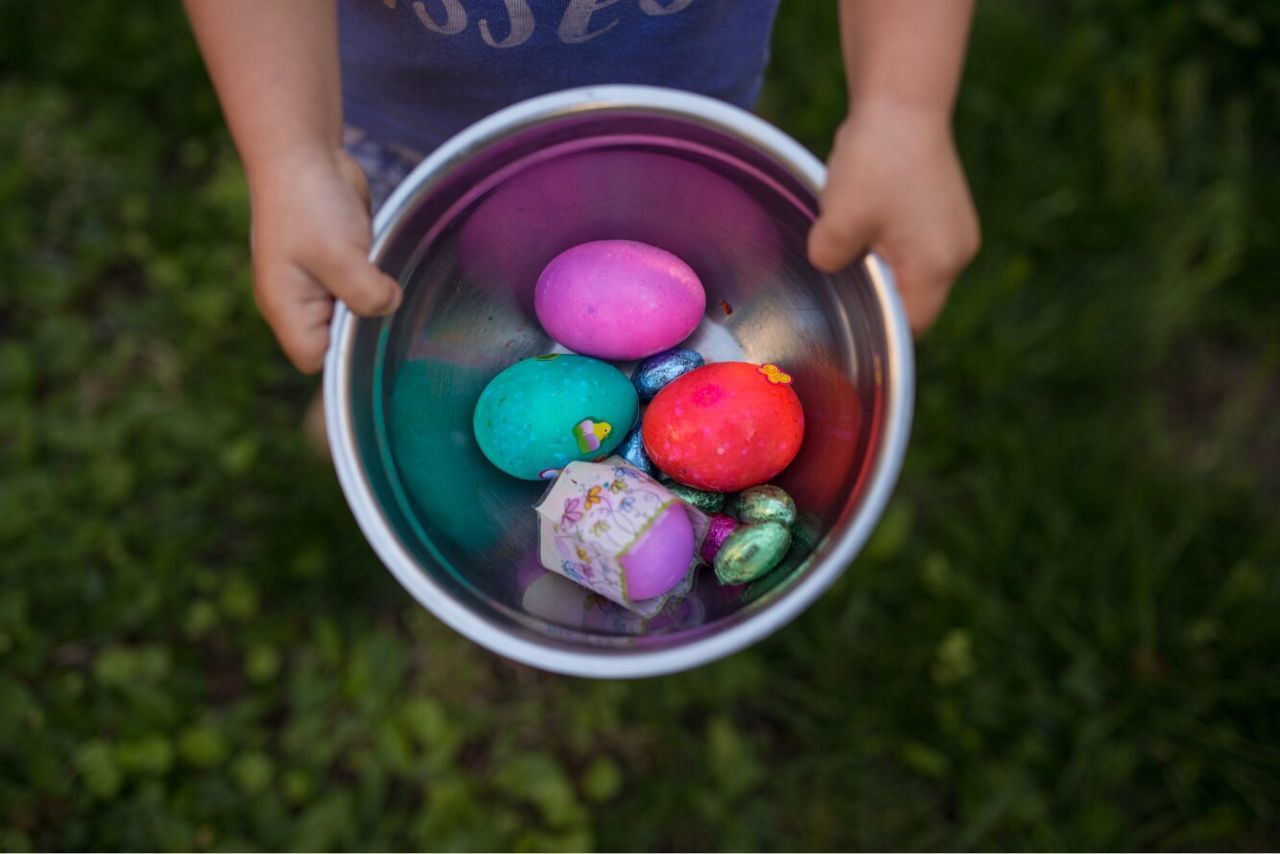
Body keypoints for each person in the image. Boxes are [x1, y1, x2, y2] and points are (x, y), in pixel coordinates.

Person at [184, 0, 980, 374]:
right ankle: (426, 372)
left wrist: (903, 107)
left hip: (676, 119)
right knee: (404, 295)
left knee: (661, 251)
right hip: (399, 133)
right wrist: (295, 157)